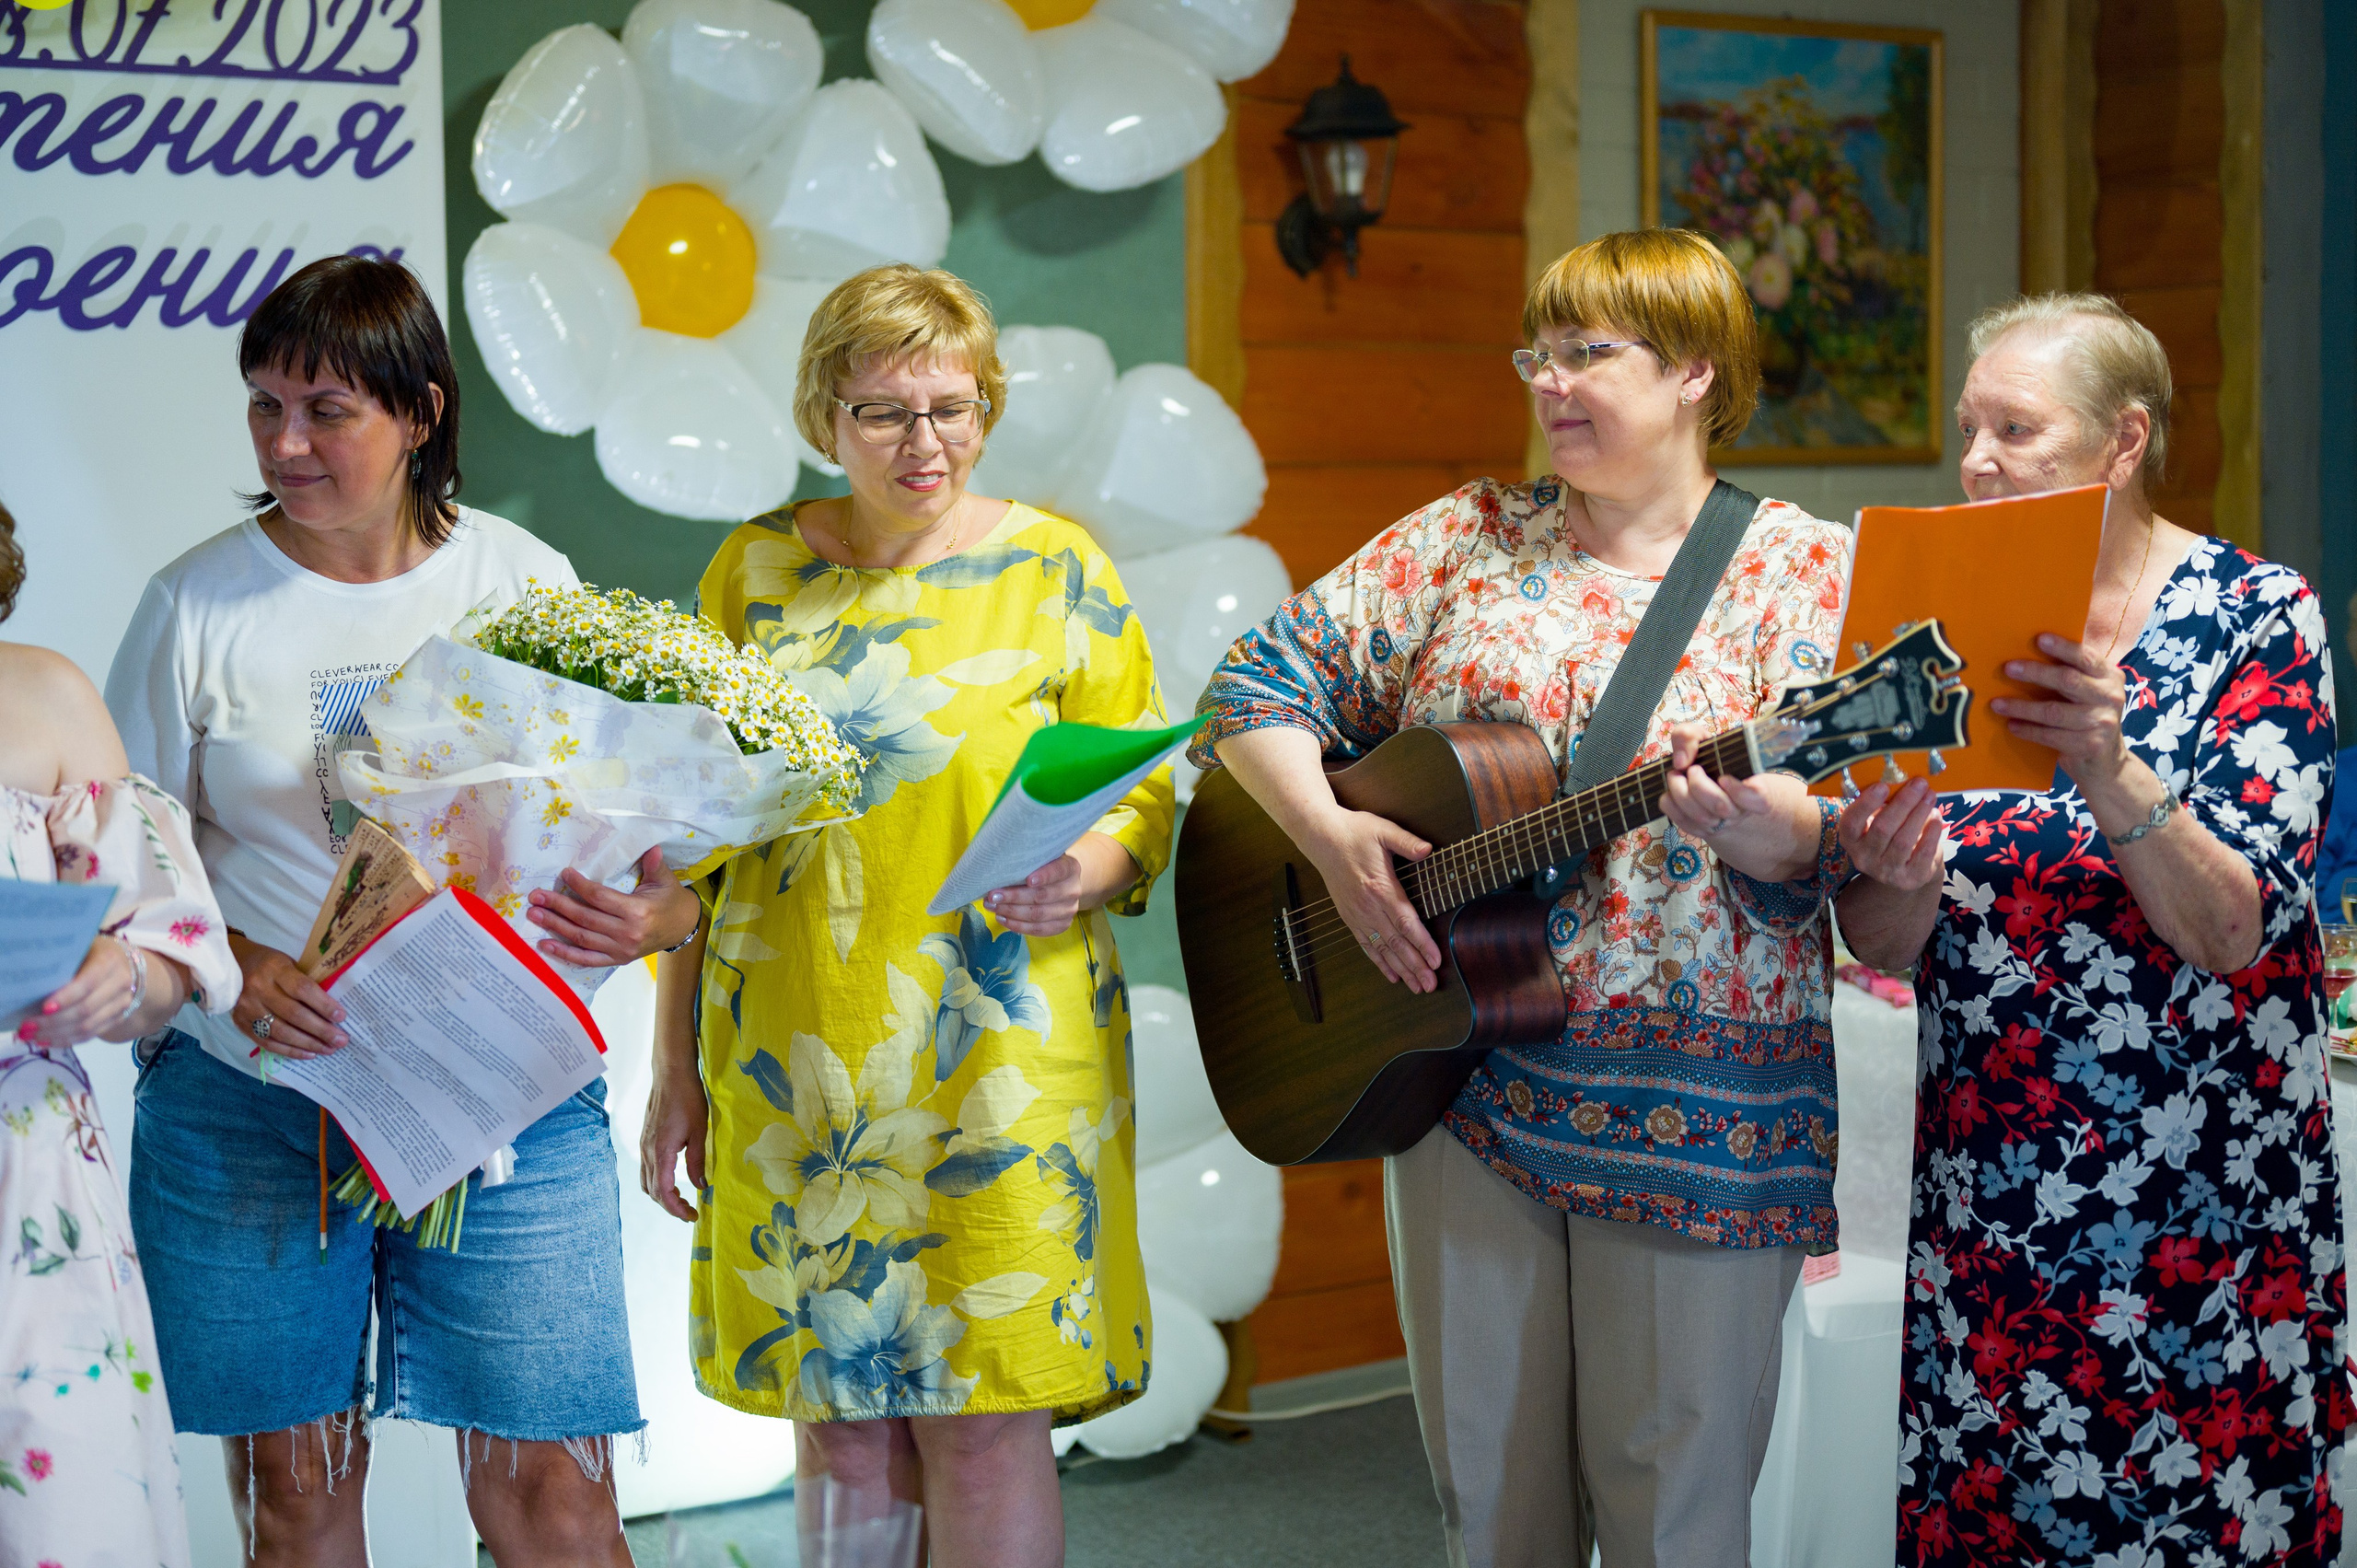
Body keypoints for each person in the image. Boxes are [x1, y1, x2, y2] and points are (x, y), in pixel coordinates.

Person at [1190, 228, 1854, 1567]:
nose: (1549, 382)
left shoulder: (1812, 572)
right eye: (1535, 354)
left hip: (1706, 1109)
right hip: (1463, 1076)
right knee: (1490, 1506)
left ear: (1694, 369)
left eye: (1585, 352)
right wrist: (1332, 838)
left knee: (1675, 1514)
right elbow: (1250, 687)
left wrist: (1779, 836)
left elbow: (1862, 841)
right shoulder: (1467, 536)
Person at [106, 255, 701, 1566]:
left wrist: (660, 919)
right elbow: (123, 852)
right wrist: (232, 958)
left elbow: (646, 839)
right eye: (265, 406)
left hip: (503, 1092)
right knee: (297, 1489)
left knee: (555, 1495)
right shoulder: (193, 603)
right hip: (258, 1094)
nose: (286, 442)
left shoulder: (521, 580)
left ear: (421, 413)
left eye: (327, 410)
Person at [639, 262, 1173, 1567]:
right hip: (798, 1051)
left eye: (952, 406)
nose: (923, 441)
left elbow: (1145, 790)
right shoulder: (753, 571)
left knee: (986, 1414)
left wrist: (1088, 866)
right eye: (883, 411)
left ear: (987, 407)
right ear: (825, 418)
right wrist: (674, 1070)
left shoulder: (1058, 567)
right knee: (842, 1418)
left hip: (1004, 1050)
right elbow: (692, 845)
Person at [1836, 294, 2345, 1565]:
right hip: (1994, 1197)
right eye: (1969, 428)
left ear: (2124, 440)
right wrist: (1891, 866)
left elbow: (2232, 927)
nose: (1977, 459)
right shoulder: (1936, 628)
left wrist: (2111, 766)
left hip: (2201, 1209)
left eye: (2016, 428)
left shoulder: (2257, 614)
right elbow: (1885, 940)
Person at [0, 498, 240, 1568]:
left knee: (58, 1509)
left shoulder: (45, 693)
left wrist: (122, 973)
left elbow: (166, 949)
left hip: (23, 1170)